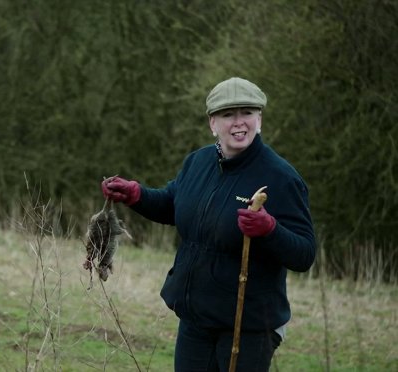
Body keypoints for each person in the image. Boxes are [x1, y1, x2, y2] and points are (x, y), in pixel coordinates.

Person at [100, 77, 317, 371]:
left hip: (247, 326)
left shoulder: (281, 178)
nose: (239, 122)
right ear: (213, 123)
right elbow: (173, 205)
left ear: (259, 118)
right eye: (228, 115)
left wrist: (270, 230)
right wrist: (137, 195)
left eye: (247, 113)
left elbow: (304, 254)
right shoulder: (198, 162)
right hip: (195, 320)